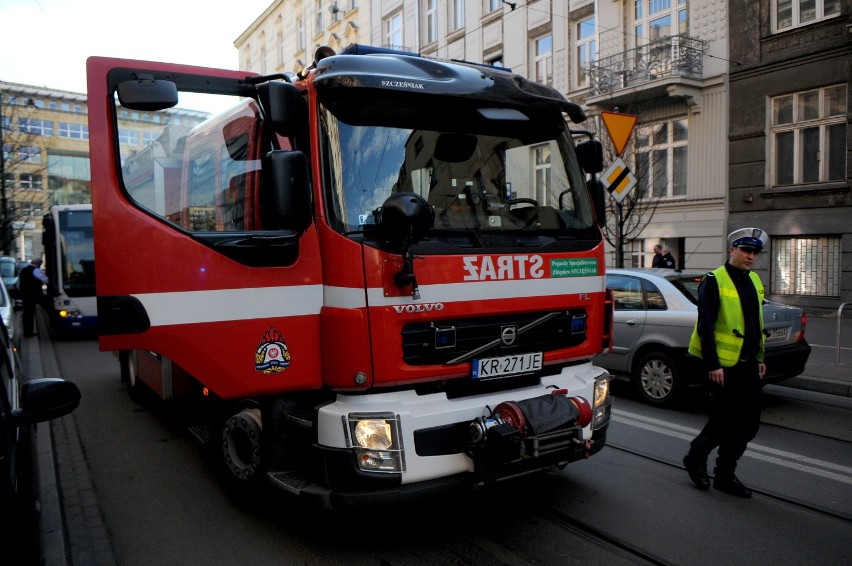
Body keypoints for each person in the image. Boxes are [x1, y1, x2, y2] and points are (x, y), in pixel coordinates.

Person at [682, 227, 768, 498]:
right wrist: (713, 364)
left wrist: (760, 357)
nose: (750, 256)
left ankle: (724, 475)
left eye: (754, 252)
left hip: (749, 363)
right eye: (745, 250)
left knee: (748, 424)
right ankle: (696, 458)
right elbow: (705, 325)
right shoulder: (713, 280)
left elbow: (755, 322)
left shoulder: (754, 280)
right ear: (732, 250)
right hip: (723, 365)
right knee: (722, 422)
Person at [18, 258, 48, 337]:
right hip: (35, 295)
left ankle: (27, 332)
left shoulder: (23, 270)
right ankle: (29, 332)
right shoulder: (36, 270)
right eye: (40, 264)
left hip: (25, 295)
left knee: (27, 314)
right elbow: (45, 279)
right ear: (38, 264)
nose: (40, 266)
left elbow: (19, 284)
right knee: (46, 308)